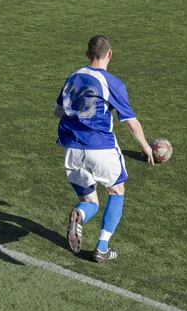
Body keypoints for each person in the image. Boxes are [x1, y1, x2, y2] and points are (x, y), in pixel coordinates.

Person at [54, 35, 154, 263]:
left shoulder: (73, 77)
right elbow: (130, 123)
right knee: (116, 191)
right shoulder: (112, 82)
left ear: (87, 54)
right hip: (99, 147)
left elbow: (58, 112)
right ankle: (102, 247)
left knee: (90, 202)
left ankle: (79, 215)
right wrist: (146, 147)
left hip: (71, 148)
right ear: (110, 54)